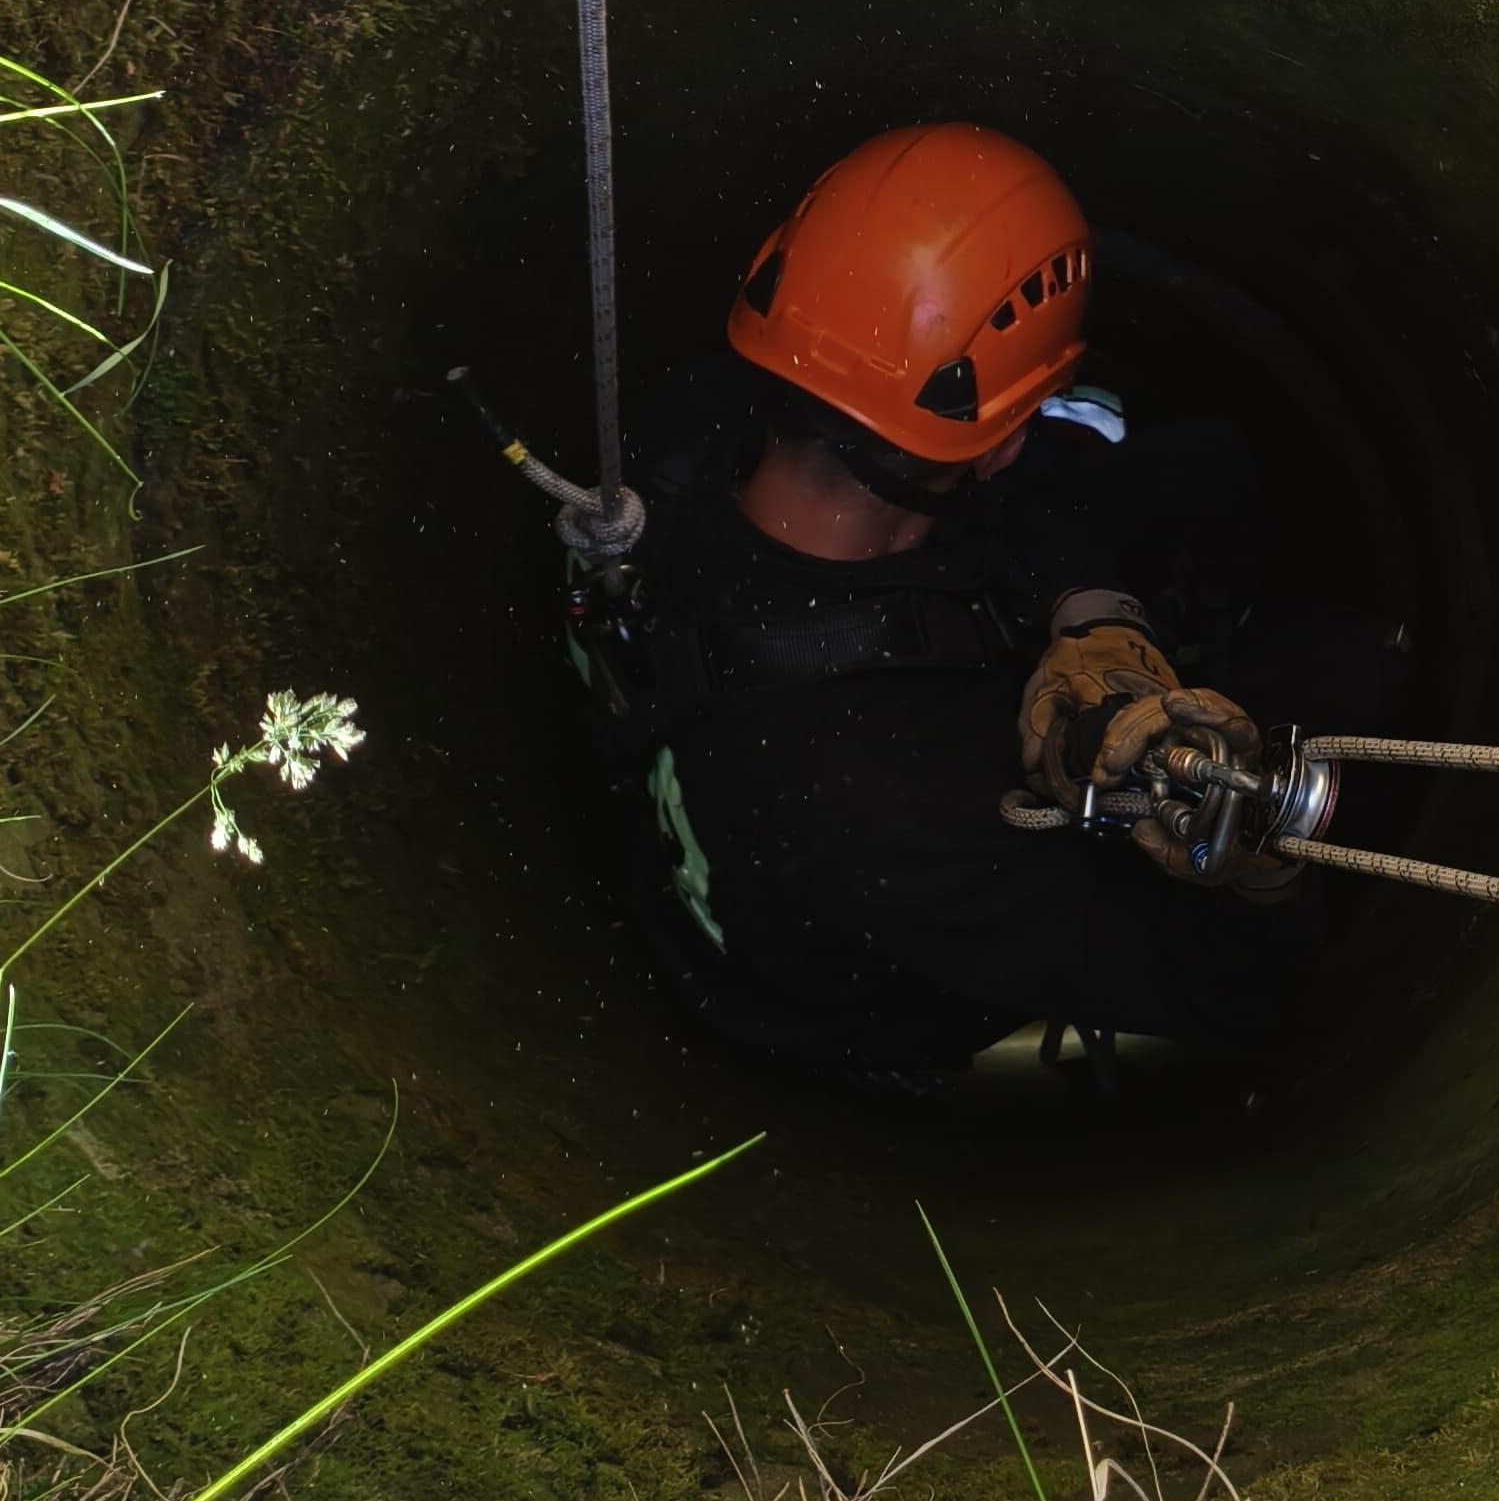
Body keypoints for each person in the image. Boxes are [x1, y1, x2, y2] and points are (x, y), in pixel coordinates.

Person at [575, 124, 1378, 1090]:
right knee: (1342, 665)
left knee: (1204, 464)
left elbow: (1018, 506)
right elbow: (1248, 989)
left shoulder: (679, 434)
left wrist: (1094, 613)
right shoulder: (909, 807)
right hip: (851, 962)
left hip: (757, 822)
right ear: (1002, 443)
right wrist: (1262, 867)